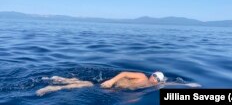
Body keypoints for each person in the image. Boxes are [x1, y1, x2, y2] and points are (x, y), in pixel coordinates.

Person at [36, 71, 201, 96]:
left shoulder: (153, 85)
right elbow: (123, 73)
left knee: (85, 83)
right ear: (151, 75)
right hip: (111, 84)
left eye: (158, 80)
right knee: (84, 85)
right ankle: (53, 87)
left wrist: (189, 86)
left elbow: (170, 84)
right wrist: (112, 81)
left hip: (115, 88)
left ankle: (58, 79)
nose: (155, 80)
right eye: (155, 77)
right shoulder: (143, 77)